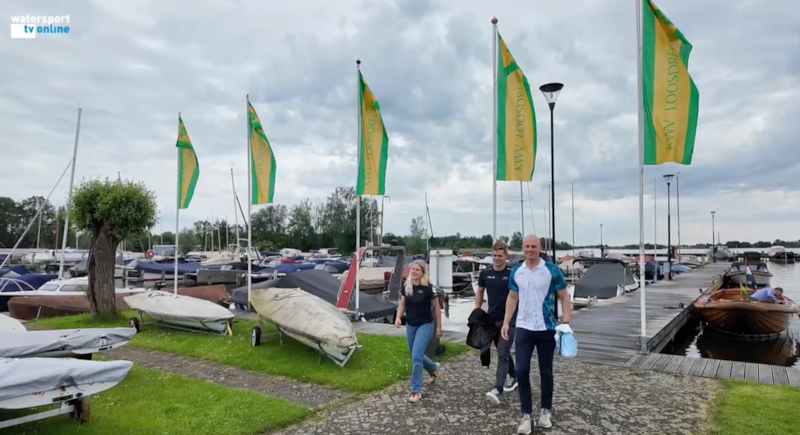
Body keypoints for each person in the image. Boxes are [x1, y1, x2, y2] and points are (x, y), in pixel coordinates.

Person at [501, 235, 572, 434]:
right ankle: (526, 416)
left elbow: (564, 296)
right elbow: (512, 297)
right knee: (522, 371)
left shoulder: (552, 270)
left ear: (539, 248)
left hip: (546, 327)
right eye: (527, 246)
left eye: (533, 246)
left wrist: (566, 323)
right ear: (522, 248)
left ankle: (545, 411)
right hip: (524, 327)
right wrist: (506, 322)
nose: (530, 250)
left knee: (545, 371)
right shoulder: (517, 271)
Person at [474, 240, 517, 404]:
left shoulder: (512, 273)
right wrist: (477, 311)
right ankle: (515, 376)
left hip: (510, 319)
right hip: (492, 319)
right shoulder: (485, 273)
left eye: (500, 256)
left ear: (506, 256)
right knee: (501, 350)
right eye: (494, 256)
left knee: (502, 353)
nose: (497, 259)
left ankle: (498, 389)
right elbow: (480, 292)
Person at [394, 259, 443, 403]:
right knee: (415, 354)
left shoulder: (428, 288)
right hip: (411, 324)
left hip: (425, 324)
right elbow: (402, 304)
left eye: (417, 270)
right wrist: (398, 317)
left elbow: (437, 308)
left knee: (416, 356)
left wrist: (439, 327)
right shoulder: (407, 285)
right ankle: (433, 367)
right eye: (412, 269)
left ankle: (415, 391)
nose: (414, 272)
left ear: (422, 272)